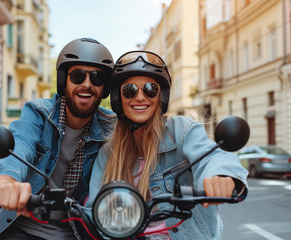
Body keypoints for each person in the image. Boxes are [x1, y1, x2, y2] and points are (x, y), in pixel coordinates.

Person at [86, 50, 248, 240]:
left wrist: (220, 176)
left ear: (161, 96)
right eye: (129, 90)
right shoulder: (109, 153)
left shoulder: (181, 131)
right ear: (117, 98)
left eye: (150, 89)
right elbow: (93, 211)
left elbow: (212, 157)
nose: (139, 97)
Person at [0, 38, 116, 240]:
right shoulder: (40, 112)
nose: (87, 85)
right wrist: (7, 181)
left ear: (105, 88)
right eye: (78, 76)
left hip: (76, 233)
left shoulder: (111, 128)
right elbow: (21, 142)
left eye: (97, 78)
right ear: (64, 80)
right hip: (22, 228)